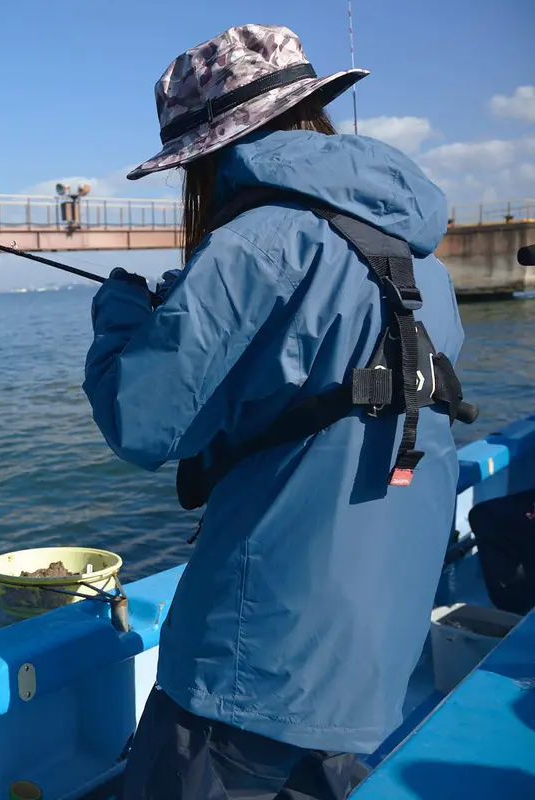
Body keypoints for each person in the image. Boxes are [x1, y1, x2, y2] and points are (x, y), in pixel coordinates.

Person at [82, 24, 470, 800]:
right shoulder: (416, 251)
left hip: (250, 668)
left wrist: (122, 315)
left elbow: (142, 421)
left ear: (210, 153)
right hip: (371, 655)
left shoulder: (253, 245)